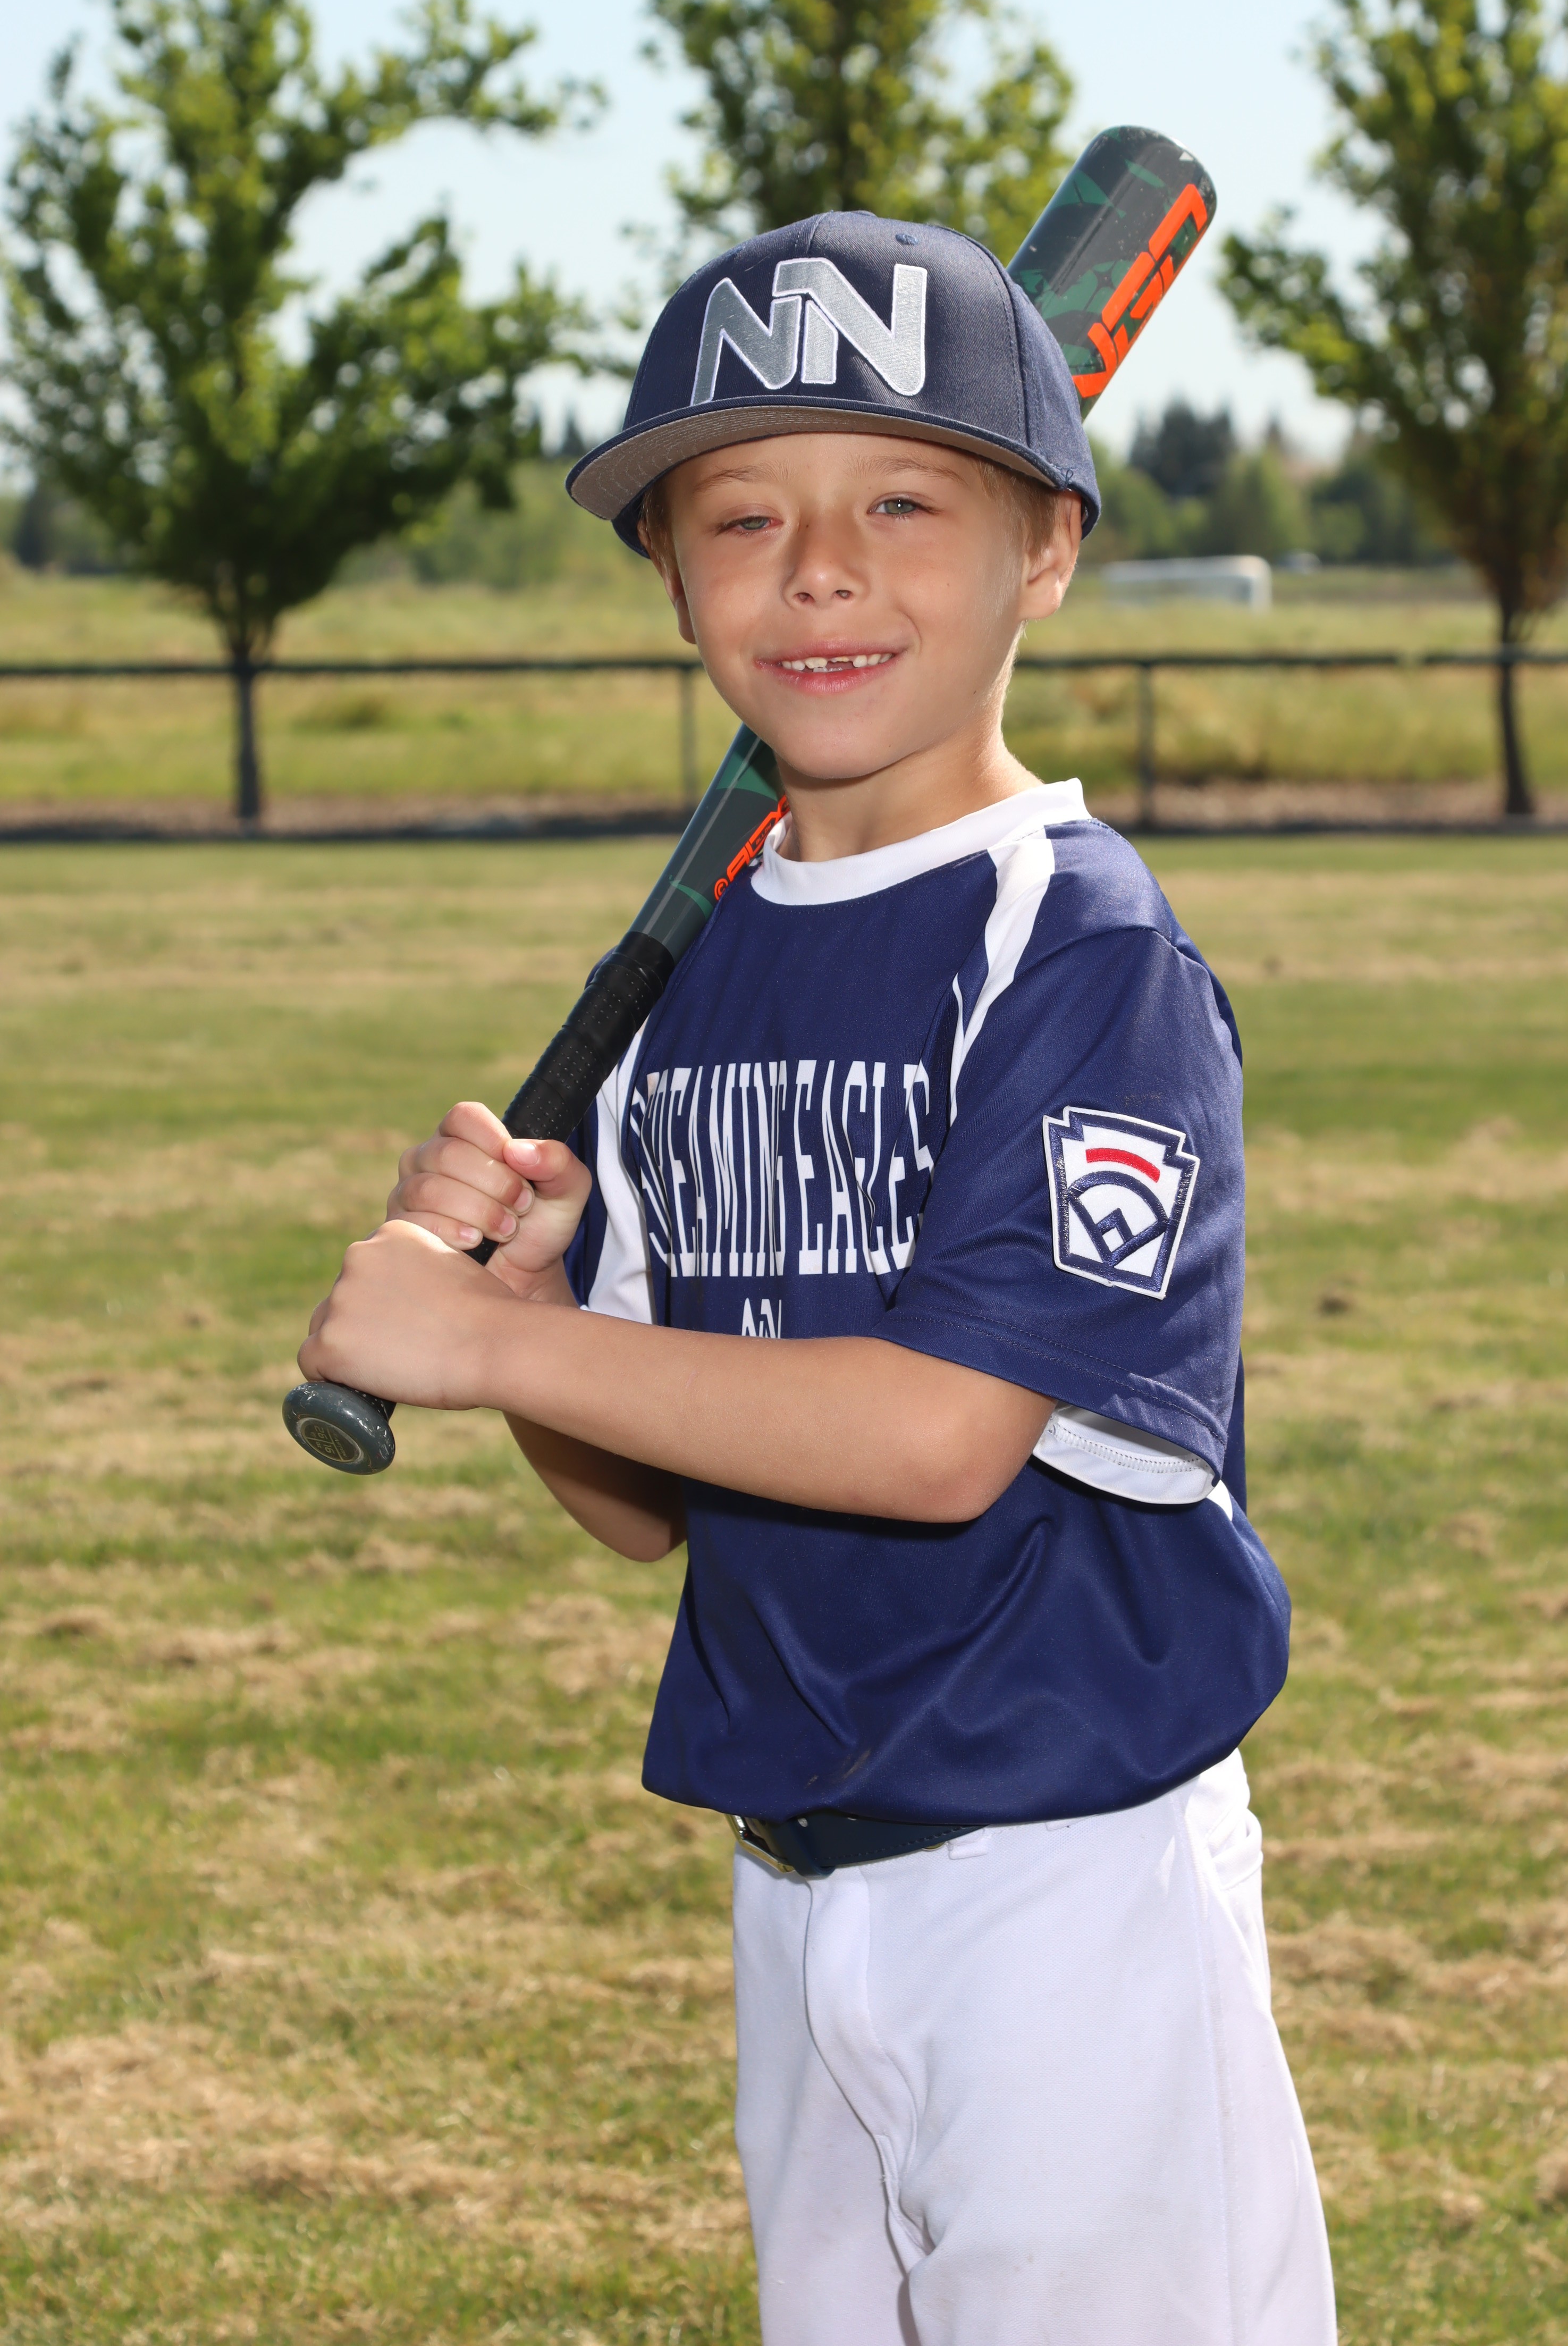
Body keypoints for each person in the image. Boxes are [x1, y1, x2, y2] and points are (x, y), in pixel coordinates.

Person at [298, 211, 1336, 2345]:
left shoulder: (1077, 947)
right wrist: (553, 1324)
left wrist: (482, 1346)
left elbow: (936, 1439)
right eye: (742, 517)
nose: (820, 572)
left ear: (1046, 554)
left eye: (904, 506)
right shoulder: (703, 983)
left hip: (1063, 1884)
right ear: (675, 582)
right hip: (792, 1881)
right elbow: (650, 1509)